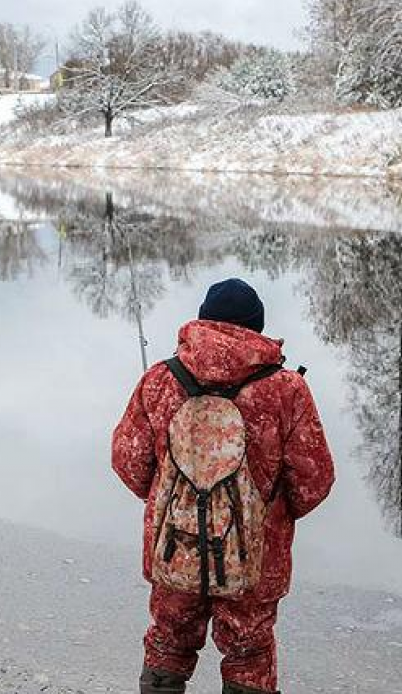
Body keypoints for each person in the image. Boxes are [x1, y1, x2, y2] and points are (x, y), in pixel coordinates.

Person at [112, 278, 335, 694]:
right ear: (257, 328)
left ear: (202, 321)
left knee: (168, 640)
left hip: (174, 546)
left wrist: (173, 499)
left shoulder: (160, 379)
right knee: (249, 654)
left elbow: (129, 463)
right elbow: (313, 482)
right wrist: (269, 513)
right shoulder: (287, 390)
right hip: (254, 557)